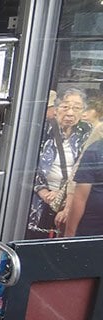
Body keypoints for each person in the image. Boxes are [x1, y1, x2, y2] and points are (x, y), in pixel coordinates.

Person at [26, 88, 90, 239]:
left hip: (73, 199)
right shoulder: (41, 131)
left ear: (82, 112)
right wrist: (43, 192)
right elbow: (26, 166)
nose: (70, 113)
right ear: (55, 109)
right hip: (38, 199)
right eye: (65, 106)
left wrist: (67, 199)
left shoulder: (87, 133)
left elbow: (87, 171)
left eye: (76, 108)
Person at [64, 94, 103, 237]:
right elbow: (80, 197)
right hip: (91, 229)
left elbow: (80, 197)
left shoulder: (95, 149)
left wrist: (69, 235)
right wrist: (70, 233)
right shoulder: (95, 151)